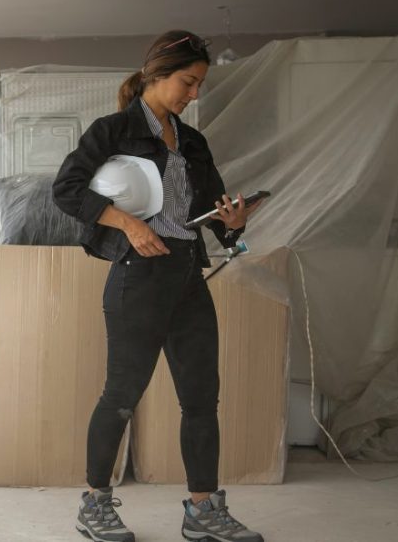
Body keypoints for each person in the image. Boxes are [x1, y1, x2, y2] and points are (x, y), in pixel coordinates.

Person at [52, 30, 264, 542]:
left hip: (188, 275)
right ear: (157, 74)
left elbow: (211, 213)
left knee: (200, 398)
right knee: (122, 395)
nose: (194, 95)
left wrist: (232, 221)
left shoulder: (192, 141)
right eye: (187, 83)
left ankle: (202, 510)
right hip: (138, 277)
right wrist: (127, 223)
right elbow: (66, 189)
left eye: (199, 86)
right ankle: (95, 503)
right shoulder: (114, 130)